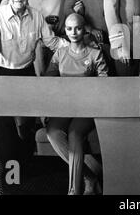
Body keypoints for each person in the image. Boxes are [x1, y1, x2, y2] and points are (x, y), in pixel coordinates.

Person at [0, 0, 68, 193]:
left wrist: (76, 46)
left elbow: (52, 42)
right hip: (3, 76)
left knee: (27, 127)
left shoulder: (36, 15)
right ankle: (10, 180)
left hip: (26, 73)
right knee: (7, 130)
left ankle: (26, 169)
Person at [45, 13, 108, 195]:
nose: (74, 32)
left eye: (78, 28)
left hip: (88, 108)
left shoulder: (95, 54)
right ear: (65, 30)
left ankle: (74, 190)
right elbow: (47, 81)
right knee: (53, 132)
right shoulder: (60, 53)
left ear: (84, 29)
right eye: (69, 28)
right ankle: (89, 177)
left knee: (74, 133)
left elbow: (106, 86)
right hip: (65, 106)